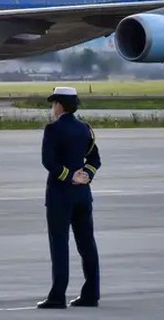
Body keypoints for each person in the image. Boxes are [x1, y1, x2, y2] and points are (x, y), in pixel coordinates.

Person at [36, 86, 101, 309]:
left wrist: (68, 176)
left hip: (60, 196)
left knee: (60, 245)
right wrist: (86, 176)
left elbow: (48, 161)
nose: (52, 108)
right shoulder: (85, 129)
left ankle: (57, 296)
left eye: (53, 103)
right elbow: (95, 159)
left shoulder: (53, 129)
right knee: (87, 245)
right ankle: (91, 294)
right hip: (83, 195)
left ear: (60, 105)